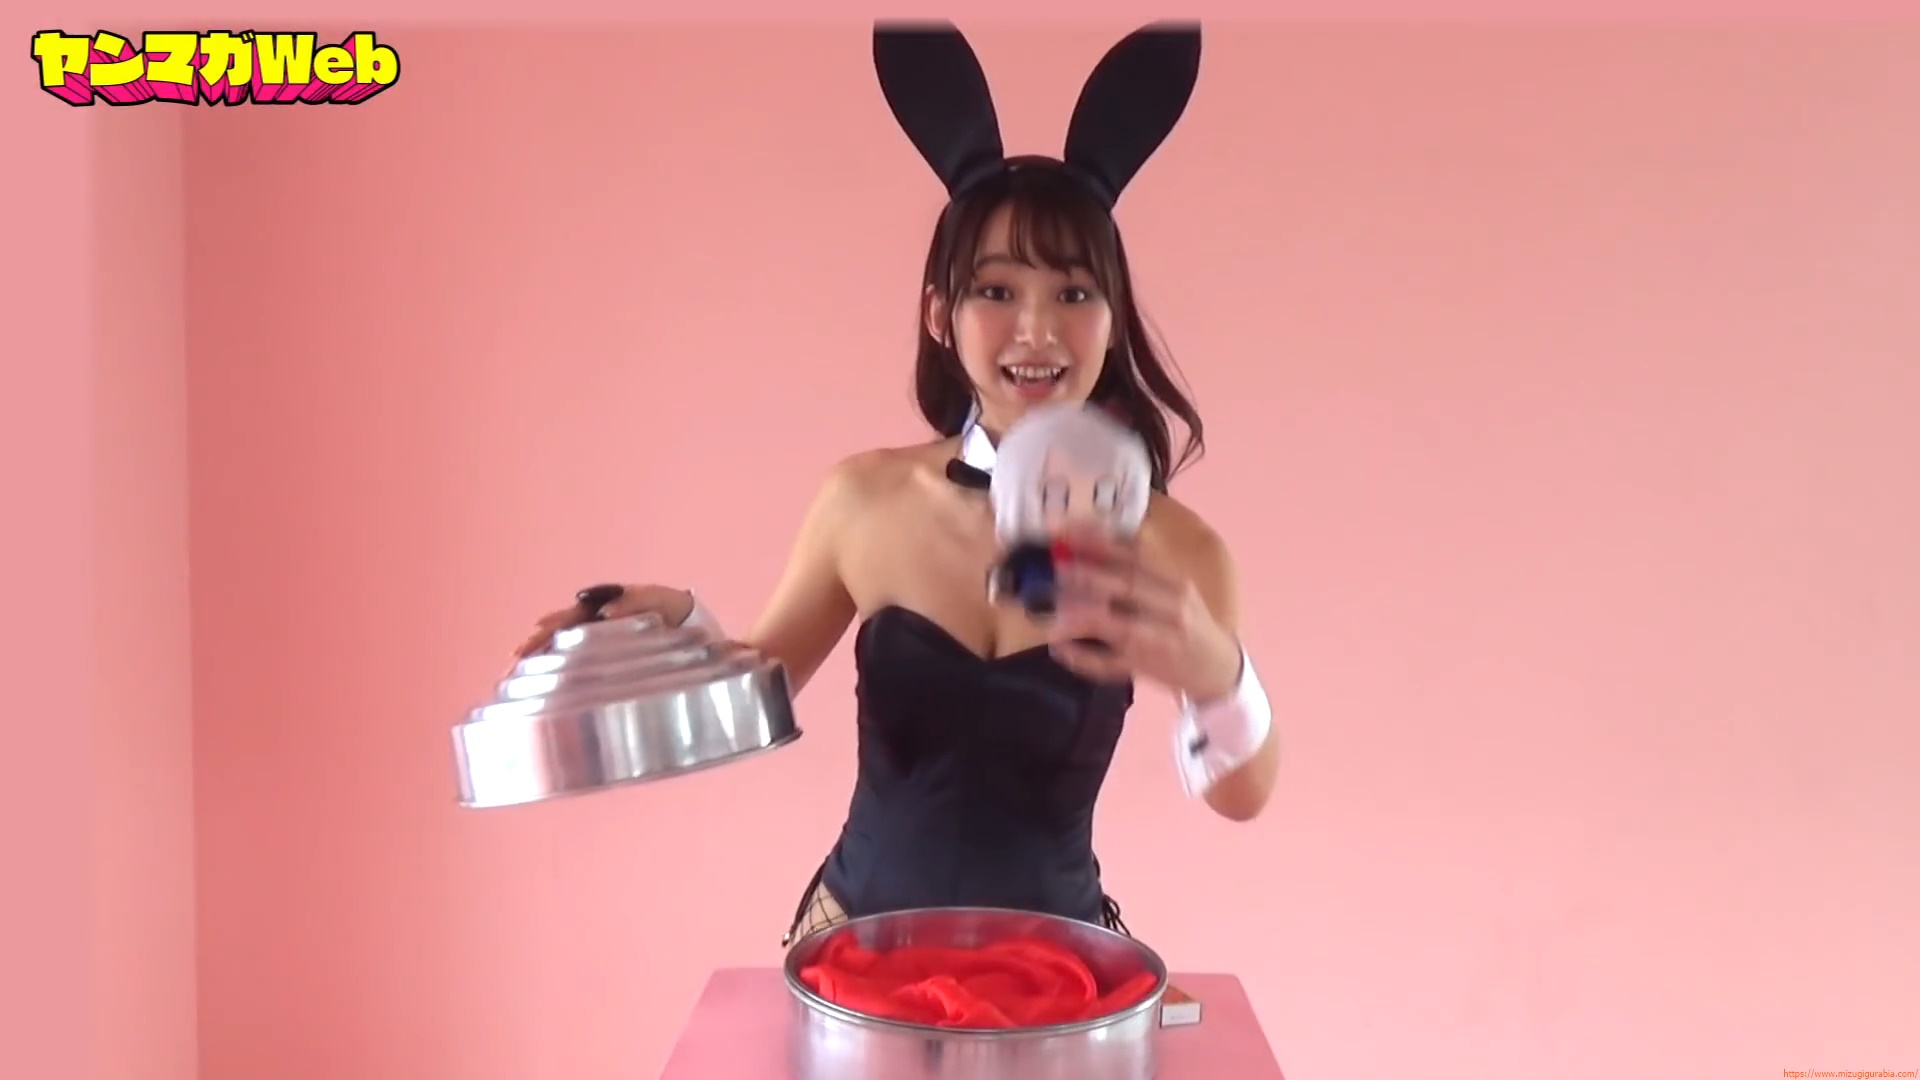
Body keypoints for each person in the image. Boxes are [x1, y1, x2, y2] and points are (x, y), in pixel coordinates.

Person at [508, 20, 1281, 947]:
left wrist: (1217, 674)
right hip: (848, 959)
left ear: (1114, 321)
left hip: (1056, 977)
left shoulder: (1181, 552)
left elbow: (1243, 797)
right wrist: (664, 631)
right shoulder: (862, 501)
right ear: (940, 316)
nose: (1037, 330)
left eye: (1075, 294)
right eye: (997, 291)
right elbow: (754, 701)